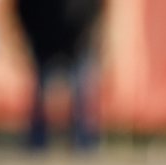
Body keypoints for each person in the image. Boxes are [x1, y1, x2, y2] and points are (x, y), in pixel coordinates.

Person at [14, 0, 102, 149]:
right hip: (45, 39)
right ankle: (38, 140)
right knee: (40, 94)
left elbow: (94, 6)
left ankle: (84, 141)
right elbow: (23, 8)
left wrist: (87, 31)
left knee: (83, 94)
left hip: (77, 39)